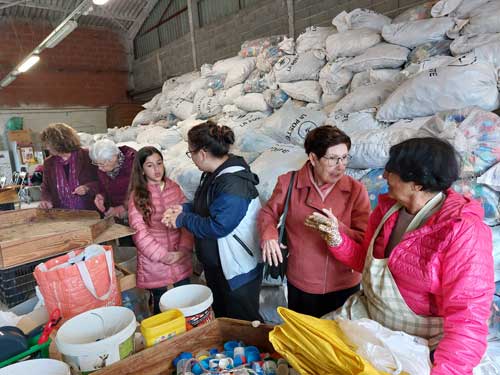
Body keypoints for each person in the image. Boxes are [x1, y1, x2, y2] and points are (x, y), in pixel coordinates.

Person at [307, 137, 494, 375]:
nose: (384, 175)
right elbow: (367, 263)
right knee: (306, 344)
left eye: (391, 170)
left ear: (416, 184)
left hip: (418, 341)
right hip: (370, 316)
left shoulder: (462, 230)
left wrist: (446, 370)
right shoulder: (388, 210)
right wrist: (337, 238)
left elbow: (468, 315)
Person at [258, 125, 371, 318]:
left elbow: (364, 237)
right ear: (313, 158)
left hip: (343, 281)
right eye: (333, 159)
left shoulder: (356, 190)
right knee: (304, 337)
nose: (341, 165)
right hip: (303, 280)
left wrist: (337, 229)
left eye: (344, 157)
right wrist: (269, 236)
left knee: (338, 340)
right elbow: (268, 213)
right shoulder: (289, 183)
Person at [162, 121, 263, 322]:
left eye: (190, 152)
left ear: (203, 153)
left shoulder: (233, 183)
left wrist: (183, 219)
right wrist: (185, 208)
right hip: (218, 265)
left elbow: (219, 226)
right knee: (225, 319)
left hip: (236, 267)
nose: (190, 157)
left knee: (242, 322)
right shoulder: (212, 175)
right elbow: (207, 207)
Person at [128, 146, 193, 314]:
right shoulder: (137, 196)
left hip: (179, 257)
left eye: (159, 163)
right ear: (141, 170)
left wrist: (183, 250)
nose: (156, 169)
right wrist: (161, 255)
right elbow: (139, 232)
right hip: (154, 262)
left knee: (186, 304)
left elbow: (186, 221)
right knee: (162, 307)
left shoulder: (175, 188)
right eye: (150, 165)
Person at [39, 123, 98, 210]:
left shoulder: (87, 156)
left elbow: (101, 181)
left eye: (48, 144)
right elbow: (46, 186)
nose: (47, 148)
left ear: (59, 143)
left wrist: (87, 188)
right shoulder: (49, 162)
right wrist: (46, 200)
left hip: (88, 210)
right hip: (62, 214)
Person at [89, 139, 136, 221]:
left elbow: (143, 190)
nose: (99, 168)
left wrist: (125, 207)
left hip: (135, 212)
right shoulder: (104, 167)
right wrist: (101, 196)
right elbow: (103, 187)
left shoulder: (134, 164)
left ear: (113, 158)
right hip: (116, 212)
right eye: (97, 164)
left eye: (102, 164)